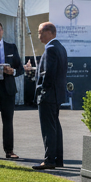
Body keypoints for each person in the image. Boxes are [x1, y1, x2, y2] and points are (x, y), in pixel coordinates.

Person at [0, 20, 24, 160]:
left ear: (2, 31)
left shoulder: (11, 47)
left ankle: (9, 150)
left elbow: (20, 68)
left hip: (8, 89)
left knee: (8, 121)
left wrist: (12, 71)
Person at [32, 21, 68, 171]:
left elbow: (49, 74)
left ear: (50, 33)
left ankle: (49, 160)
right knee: (55, 127)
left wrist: (42, 89)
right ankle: (57, 159)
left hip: (49, 95)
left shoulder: (51, 48)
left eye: (41, 32)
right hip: (57, 94)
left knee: (48, 129)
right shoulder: (60, 47)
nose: (38, 35)